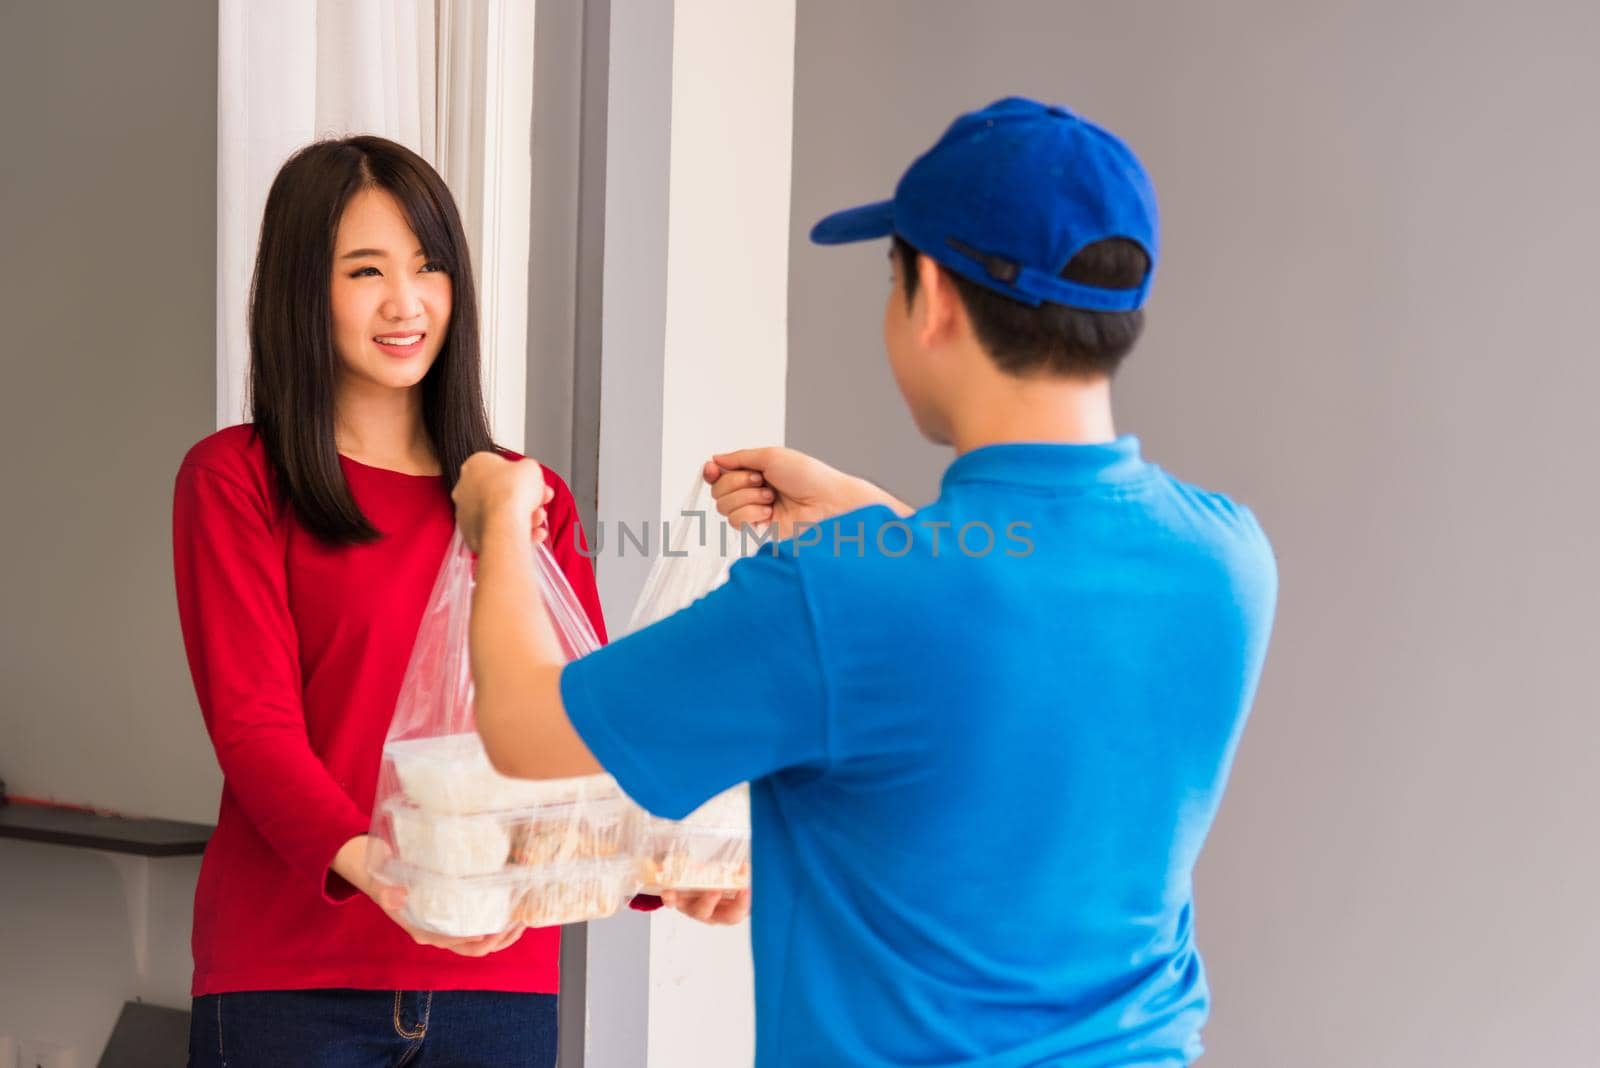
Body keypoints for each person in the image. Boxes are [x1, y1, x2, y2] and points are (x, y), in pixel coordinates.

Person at [452, 97, 1279, 1066]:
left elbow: (523, 729)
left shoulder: (837, 595)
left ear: (930, 295)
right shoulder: (1227, 557)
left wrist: (500, 521)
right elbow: (1017, 642)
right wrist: (878, 528)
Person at [172, 135, 677, 1067]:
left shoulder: (530, 497)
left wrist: (653, 858)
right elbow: (254, 730)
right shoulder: (234, 479)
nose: (406, 303)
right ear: (300, 289)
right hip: (291, 977)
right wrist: (386, 877)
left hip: (497, 978)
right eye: (366, 270)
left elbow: (578, 732)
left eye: (429, 267)